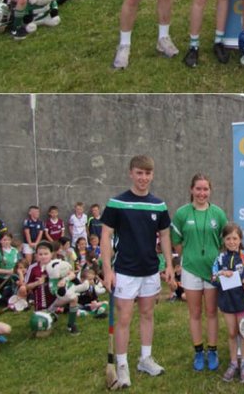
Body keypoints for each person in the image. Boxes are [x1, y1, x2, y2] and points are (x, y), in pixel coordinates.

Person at [101, 155, 175, 387]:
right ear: (131, 173)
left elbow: (164, 235)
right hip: (125, 270)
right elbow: (106, 235)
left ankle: (145, 358)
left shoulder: (158, 205)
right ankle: (122, 366)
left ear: (152, 175)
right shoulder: (117, 203)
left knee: (147, 314)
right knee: (124, 318)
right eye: (139, 173)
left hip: (150, 270)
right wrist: (107, 270)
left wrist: (170, 265)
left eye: (147, 173)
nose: (143, 178)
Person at [170, 173, 230, 373]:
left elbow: (226, 241)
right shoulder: (182, 213)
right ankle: (198, 352)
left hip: (213, 271)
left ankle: (212, 351)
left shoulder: (218, 214)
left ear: (210, 191)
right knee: (195, 313)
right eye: (198, 189)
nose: (202, 193)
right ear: (191, 190)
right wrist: (189, 258)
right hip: (191, 270)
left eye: (205, 189)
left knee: (212, 312)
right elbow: (176, 242)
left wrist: (218, 262)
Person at [213, 221, 244, 383]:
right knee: (232, 333)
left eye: (235, 238)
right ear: (224, 240)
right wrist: (221, 275)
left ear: (240, 240)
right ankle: (233, 362)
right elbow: (212, 278)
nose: (232, 242)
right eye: (228, 238)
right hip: (227, 302)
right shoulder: (220, 258)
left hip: (243, 302)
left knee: (243, 332)